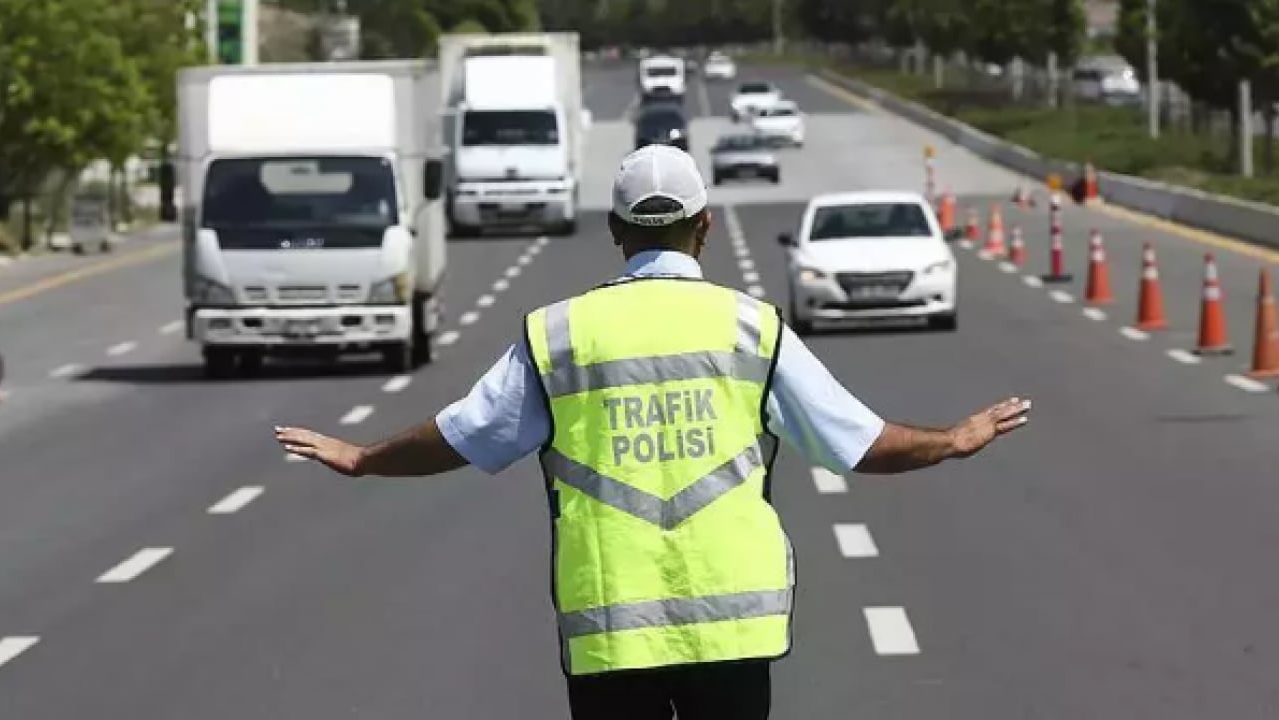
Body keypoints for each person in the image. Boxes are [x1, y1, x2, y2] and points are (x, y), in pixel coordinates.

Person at [275, 144, 1032, 719]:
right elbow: (857, 442)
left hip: (610, 626)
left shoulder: (560, 335)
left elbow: (466, 435)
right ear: (704, 226)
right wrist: (952, 439)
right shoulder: (750, 328)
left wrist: (364, 457)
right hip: (735, 628)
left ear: (616, 231)